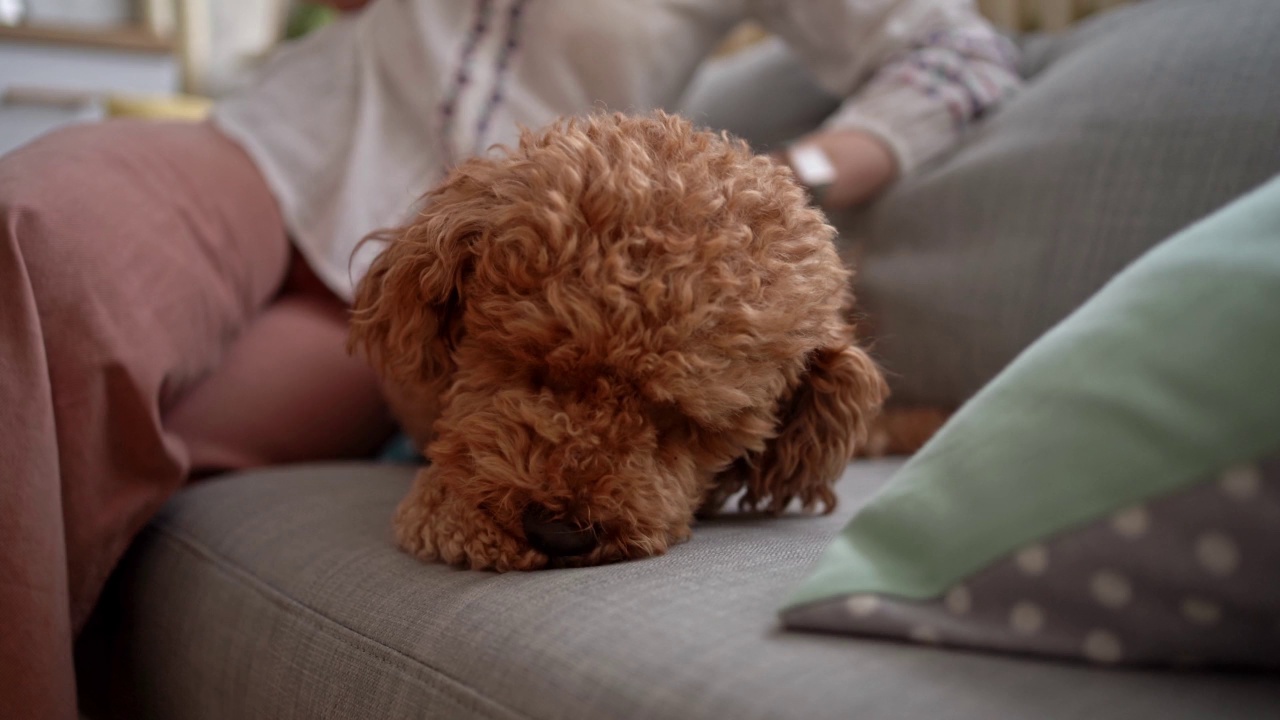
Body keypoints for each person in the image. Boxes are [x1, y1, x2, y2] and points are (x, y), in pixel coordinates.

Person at [0, 1, 1019, 717]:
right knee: (34, 233)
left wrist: (787, 173)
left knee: (123, 459)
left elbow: (957, 58)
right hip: (276, 154)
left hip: (478, 294)